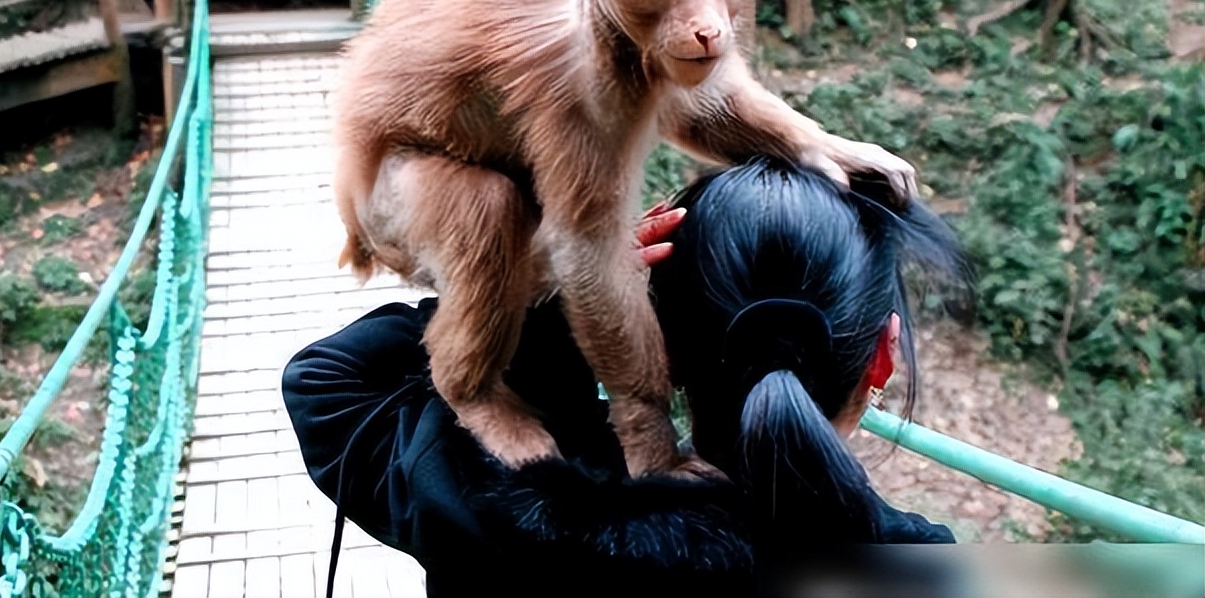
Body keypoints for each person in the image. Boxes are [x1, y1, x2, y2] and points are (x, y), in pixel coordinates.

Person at [282, 158, 972, 598]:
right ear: (883, 358)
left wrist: (552, 297)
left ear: (656, 346)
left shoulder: (506, 514)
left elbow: (327, 380)